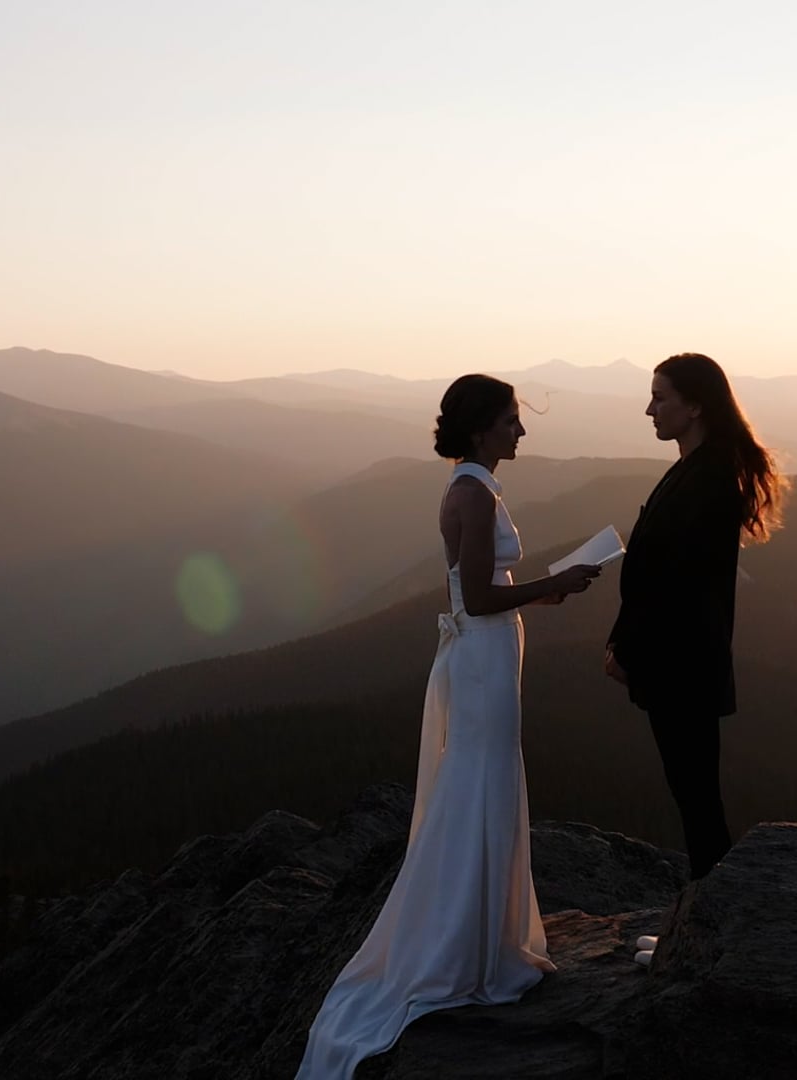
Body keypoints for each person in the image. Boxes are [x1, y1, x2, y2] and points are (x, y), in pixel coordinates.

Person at [295, 374, 602, 1080]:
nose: (521, 432)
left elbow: (484, 593)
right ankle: (470, 948)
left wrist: (542, 595)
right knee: (481, 780)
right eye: (511, 421)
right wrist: (556, 583)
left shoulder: (474, 487)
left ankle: (481, 935)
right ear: (479, 430)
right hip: (483, 656)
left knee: (486, 777)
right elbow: (485, 595)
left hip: (488, 653)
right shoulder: (471, 492)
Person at [604, 354, 785, 962]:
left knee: (698, 800)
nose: (649, 408)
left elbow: (674, 585)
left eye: (659, 397)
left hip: (680, 665)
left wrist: (629, 647)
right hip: (679, 662)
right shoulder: (697, 469)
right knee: (695, 795)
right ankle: (712, 931)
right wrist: (622, 639)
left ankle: (710, 937)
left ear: (695, 405)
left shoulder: (707, 479)